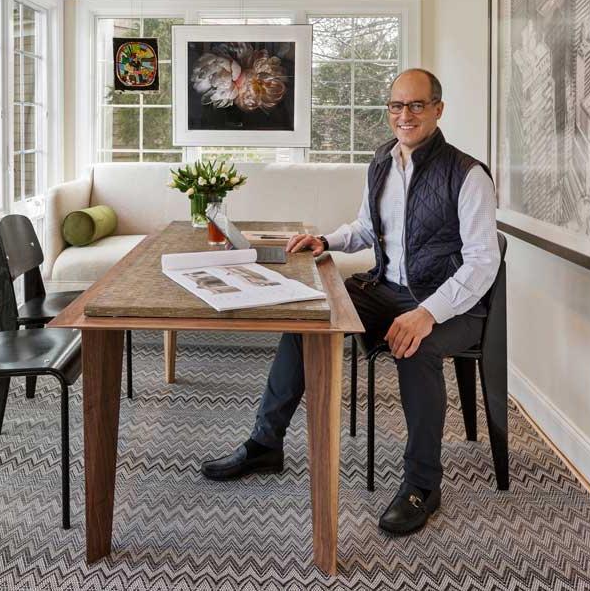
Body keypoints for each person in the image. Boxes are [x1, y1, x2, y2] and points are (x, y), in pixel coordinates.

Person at [199, 68, 501, 535]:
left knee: (414, 347)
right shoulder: (382, 160)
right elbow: (364, 228)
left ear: (438, 110)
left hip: (451, 304)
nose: (405, 115)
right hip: (386, 287)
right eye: (397, 105)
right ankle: (265, 442)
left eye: (417, 105)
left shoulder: (467, 174)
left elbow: (483, 264)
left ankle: (423, 484)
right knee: (309, 314)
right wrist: (326, 240)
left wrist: (425, 314)